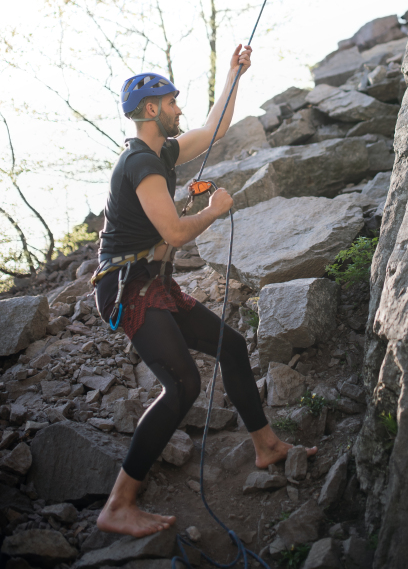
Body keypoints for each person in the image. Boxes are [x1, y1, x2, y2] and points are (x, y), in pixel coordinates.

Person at [93, 45, 317, 538]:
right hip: (127, 287)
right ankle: (118, 503)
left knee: (231, 346)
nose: (179, 110)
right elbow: (174, 234)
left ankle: (266, 445)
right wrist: (214, 210)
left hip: (152, 282)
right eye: (171, 102)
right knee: (184, 386)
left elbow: (215, 129)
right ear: (151, 108)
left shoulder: (162, 152)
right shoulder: (141, 165)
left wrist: (234, 75)